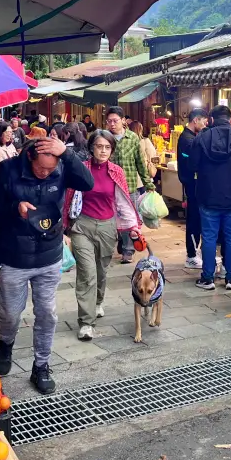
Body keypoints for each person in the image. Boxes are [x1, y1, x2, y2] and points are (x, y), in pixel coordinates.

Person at [0, 135, 94, 394]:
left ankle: (41, 365)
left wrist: (66, 155)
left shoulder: (62, 166)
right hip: (13, 256)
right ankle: (6, 344)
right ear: (29, 157)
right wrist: (14, 207)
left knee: (47, 313)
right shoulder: (8, 170)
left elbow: (87, 183)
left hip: (49, 254)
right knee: (10, 313)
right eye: (40, 168)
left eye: (50, 169)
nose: (46, 173)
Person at [63, 130, 141, 341]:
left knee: (101, 271)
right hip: (82, 226)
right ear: (91, 148)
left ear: (112, 150)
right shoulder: (81, 170)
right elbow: (68, 198)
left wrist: (133, 226)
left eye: (107, 147)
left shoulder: (116, 171)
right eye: (99, 146)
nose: (103, 151)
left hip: (108, 227)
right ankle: (86, 323)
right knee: (87, 274)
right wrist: (64, 227)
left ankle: (98, 301)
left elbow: (123, 201)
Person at [189, 105, 231, 291]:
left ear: (211, 119)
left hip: (208, 195)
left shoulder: (201, 138)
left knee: (209, 237)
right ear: (230, 117)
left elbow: (192, 165)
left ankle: (208, 278)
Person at [105, 107, 154, 264]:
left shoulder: (133, 138)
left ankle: (128, 250)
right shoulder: (104, 138)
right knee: (111, 219)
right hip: (109, 186)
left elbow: (140, 163)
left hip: (129, 186)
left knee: (129, 219)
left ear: (123, 121)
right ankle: (120, 240)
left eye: (115, 121)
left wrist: (148, 184)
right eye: (109, 121)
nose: (112, 124)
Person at [177, 108, 209, 269]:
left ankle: (195, 252)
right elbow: (192, 161)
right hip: (192, 184)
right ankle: (191, 254)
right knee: (194, 219)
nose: (205, 124)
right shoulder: (186, 139)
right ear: (195, 120)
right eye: (203, 121)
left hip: (196, 184)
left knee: (197, 218)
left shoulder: (191, 137)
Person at [130, 121, 159, 186]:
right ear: (140, 129)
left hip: (131, 178)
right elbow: (152, 156)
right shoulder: (145, 141)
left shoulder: (127, 143)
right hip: (144, 176)